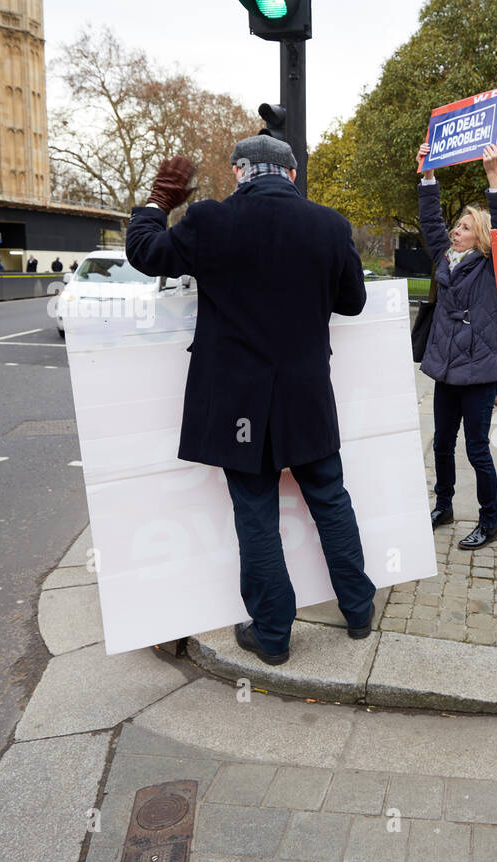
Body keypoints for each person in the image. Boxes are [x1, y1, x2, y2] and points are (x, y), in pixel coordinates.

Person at [126, 135, 376, 667]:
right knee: (330, 500)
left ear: (240, 172)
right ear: (289, 175)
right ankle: (358, 611)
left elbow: (145, 253)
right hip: (305, 396)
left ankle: (273, 635)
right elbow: (352, 302)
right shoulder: (329, 225)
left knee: (256, 515)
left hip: (240, 405)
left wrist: (156, 202)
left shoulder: (211, 221)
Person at [415, 141, 497, 551]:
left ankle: (489, 520)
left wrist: (494, 175)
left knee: (477, 449)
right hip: (445, 370)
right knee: (442, 443)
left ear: (481, 238)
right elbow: (429, 220)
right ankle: (444, 505)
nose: (455, 231)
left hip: (478, 372)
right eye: (456, 226)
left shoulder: (494, 263)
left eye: (464, 227)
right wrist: (428, 174)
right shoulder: (444, 259)